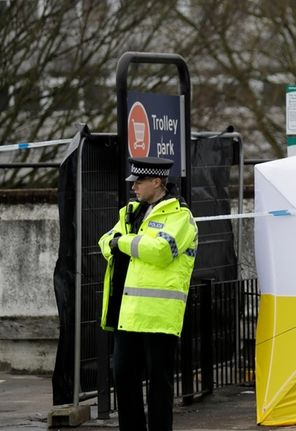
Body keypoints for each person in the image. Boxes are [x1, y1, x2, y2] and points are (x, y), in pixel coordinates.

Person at [98, 156, 198, 431]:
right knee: (124, 378)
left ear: (157, 181)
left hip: (158, 317)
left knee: (159, 384)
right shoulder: (129, 212)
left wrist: (123, 242)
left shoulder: (180, 216)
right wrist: (123, 243)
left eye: (139, 182)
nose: (134, 188)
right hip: (126, 314)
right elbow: (105, 242)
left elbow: (161, 251)